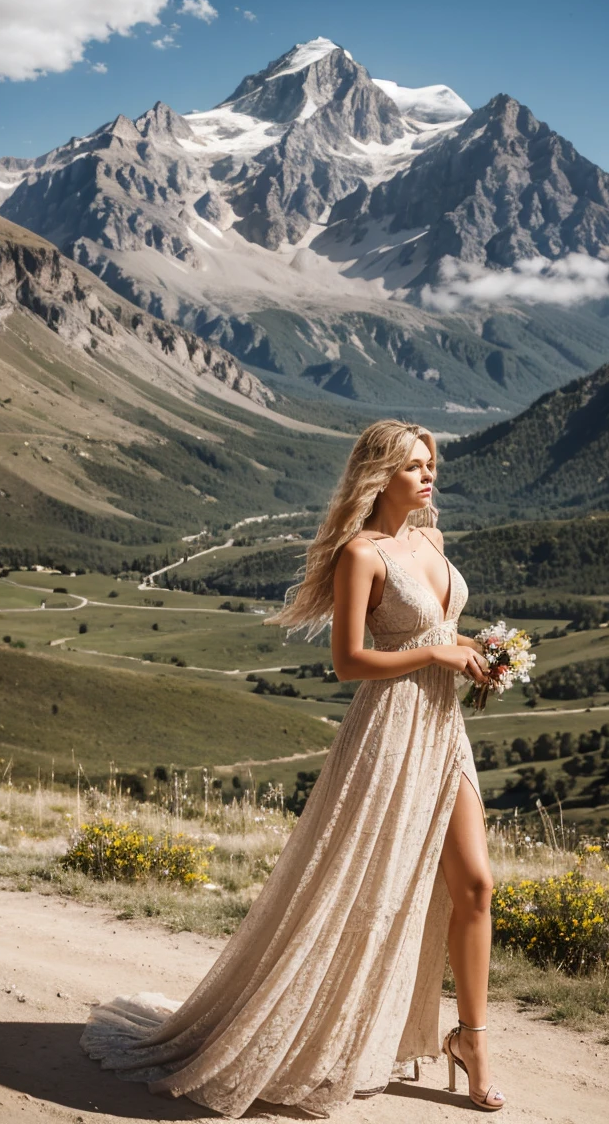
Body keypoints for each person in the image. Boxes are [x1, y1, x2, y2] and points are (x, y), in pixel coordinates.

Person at [80, 419, 505, 1117]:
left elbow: (438, 630)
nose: (429, 476)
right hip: (391, 729)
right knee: (363, 888)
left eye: (431, 464)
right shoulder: (360, 554)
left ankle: (471, 1041)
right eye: (414, 467)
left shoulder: (429, 538)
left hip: (443, 726)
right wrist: (437, 656)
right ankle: (311, 1024)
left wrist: (479, 651)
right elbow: (349, 663)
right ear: (380, 476)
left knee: (477, 886)